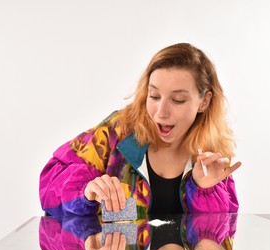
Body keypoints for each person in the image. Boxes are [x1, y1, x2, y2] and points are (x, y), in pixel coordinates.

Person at [39, 42, 241, 217]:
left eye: (178, 100)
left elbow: (219, 239)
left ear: (204, 101)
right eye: (154, 96)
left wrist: (204, 191)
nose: (161, 113)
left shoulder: (211, 156)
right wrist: (84, 192)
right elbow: (49, 186)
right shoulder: (116, 132)